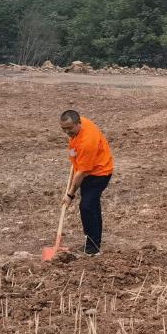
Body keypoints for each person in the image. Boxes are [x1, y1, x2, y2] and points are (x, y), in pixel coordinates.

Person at [59, 110, 114, 256]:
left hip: (100, 173)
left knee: (87, 206)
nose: (66, 132)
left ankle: (92, 248)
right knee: (92, 206)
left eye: (70, 128)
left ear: (78, 123)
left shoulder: (87, 142)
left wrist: (70, 195)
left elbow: (81, 173)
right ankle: (94, 241)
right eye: (63, 129)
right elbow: (80, 168)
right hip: (88, 169)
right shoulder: (78, 123)